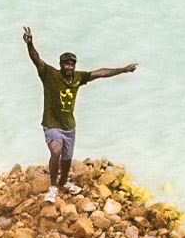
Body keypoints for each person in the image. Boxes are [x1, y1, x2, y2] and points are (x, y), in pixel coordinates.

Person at [22, 26, 134, 195]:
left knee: (67, 160)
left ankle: (63, 183)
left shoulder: (78, 78)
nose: (69, 67)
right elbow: (37, 59)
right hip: (51, 125)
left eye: (72, 64)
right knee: (56, 151)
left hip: (69, 127)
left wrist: (123, 70)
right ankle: (53, 187)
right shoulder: (49, 74)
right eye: (66, 63)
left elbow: (100, 73)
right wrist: (30, 44)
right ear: (60, 65)